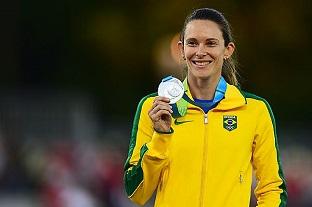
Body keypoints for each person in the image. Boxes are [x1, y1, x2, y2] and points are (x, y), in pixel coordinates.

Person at [123, 8, 287, 207]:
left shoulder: (254, 110)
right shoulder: (156, 107)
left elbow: (272, 188)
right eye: (192, 43)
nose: (200, 52)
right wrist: (160, 137)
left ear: (228, 50)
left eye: (211, 43)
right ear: (182, 50)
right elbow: (136, 193)